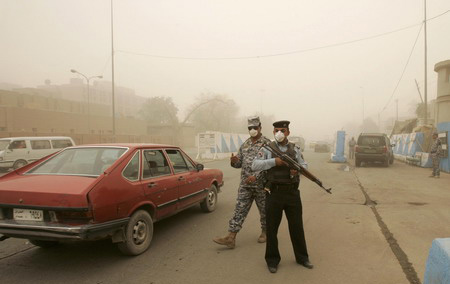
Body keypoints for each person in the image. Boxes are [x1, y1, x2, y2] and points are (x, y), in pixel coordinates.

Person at [252, 120, 313, 273]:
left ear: (288, 132)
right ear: (273, 132)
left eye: (282, 130)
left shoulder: (295, 149)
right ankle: (272, 260)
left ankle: (302, 258)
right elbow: (255, 165)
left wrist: (297, 170)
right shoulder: (267, 148)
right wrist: (274, 161)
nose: (279, 133)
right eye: (276, 130)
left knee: (297, 227)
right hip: (274, 193)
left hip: (292, 192)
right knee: (272, 229)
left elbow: (304, 165)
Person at [213, 116, 271, 249]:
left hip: (261, 186)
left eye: (255, 127)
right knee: (239, 210)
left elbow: (269, 165)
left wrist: (256, 176)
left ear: (260, 128)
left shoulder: (267, 144)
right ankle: (231, 237)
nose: (252, 130)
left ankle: (265, 231)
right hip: (245, 185)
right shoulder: (245, 144)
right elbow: (239, 163)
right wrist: (234, 161)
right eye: (250, 128)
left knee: (264, 211)